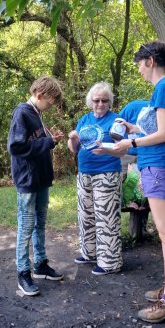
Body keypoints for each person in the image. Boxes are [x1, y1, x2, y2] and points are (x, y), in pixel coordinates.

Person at [110, 41, 165, 323]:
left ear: (149, 60)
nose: (139, 70)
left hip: (160, 167)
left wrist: (129, 141)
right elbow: (160, 129)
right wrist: (135, 129)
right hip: (161, 166)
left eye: (139, 64)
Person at [7, 76, 65, 296]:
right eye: (50, 101)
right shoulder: (22, 112)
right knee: (27, 225)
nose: (51, 106)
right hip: (28, 181)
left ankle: (40, 264)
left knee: (40, 223)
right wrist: (48, 142)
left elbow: (36, 143)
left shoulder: (37, 113)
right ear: (39, 95)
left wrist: (51, 139)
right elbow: (16, 147)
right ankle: (23, 272)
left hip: (41, 179)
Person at [67, 82, 123, 275]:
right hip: (84, 173)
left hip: (106, 173)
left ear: (110, 102)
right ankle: (89, 253)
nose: (100, 104)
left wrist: (107, 148)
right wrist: (73, 138)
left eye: (104, 100)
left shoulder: (116, 121)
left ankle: (110, 262)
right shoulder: (84, 119)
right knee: (86, 214)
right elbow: (74, 149)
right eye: (96, 100)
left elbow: (123, 149)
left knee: (106, 218)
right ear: (90, 102)